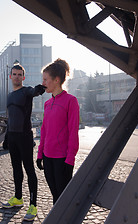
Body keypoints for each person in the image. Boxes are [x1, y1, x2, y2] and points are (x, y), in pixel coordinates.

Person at [1, 64, 46, 221]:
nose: (17, 76)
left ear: (23, 77)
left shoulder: (26, 91)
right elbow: (10, 118)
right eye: (14, 74)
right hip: (12, 137)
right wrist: (6, 137)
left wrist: (40, 88)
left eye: (20, 74)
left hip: (25, 137)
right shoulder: (9, 96)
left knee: (29, 170)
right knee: (16, 169)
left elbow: (34, 91)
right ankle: (18, 198)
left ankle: (33, 205)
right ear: (10, 76)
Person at [36, 58, 80, 205]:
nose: (43, 83)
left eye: (45, 79)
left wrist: (70, 160)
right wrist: (39, 154)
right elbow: (44, 130)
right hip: (48, 158)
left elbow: (73, 131)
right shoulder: (47, 104)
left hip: (62, 159)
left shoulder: (71, 101)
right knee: (55, 196)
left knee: (63, 198)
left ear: (56, 80)